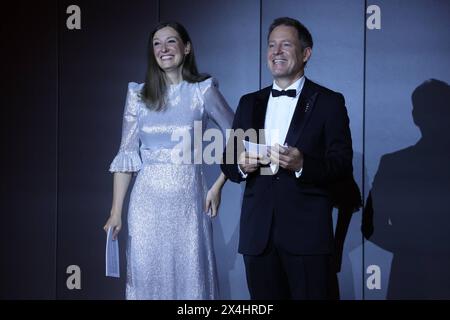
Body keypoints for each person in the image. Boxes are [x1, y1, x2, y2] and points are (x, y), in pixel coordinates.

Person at [221, 17, 358, 299]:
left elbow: (341, 163)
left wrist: (302, 164)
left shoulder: (329, 102)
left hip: (307, 238)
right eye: (271, 45)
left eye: (286, 44)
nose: (276, 51)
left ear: (306, 53)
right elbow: (228, 162)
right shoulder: (250, 102)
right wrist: (240, 166)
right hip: (258, 238)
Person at [104, 21, 234, 300]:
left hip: (188, 200)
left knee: (191, 277)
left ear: (186, 48)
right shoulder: (137, 96)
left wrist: (219, 185)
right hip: (145, 203)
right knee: (145, 275)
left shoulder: (203, 91)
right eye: (156, 44)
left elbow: (239, 136)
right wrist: (116, 211)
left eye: (171, 41)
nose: (163, 49)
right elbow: (126, 154)